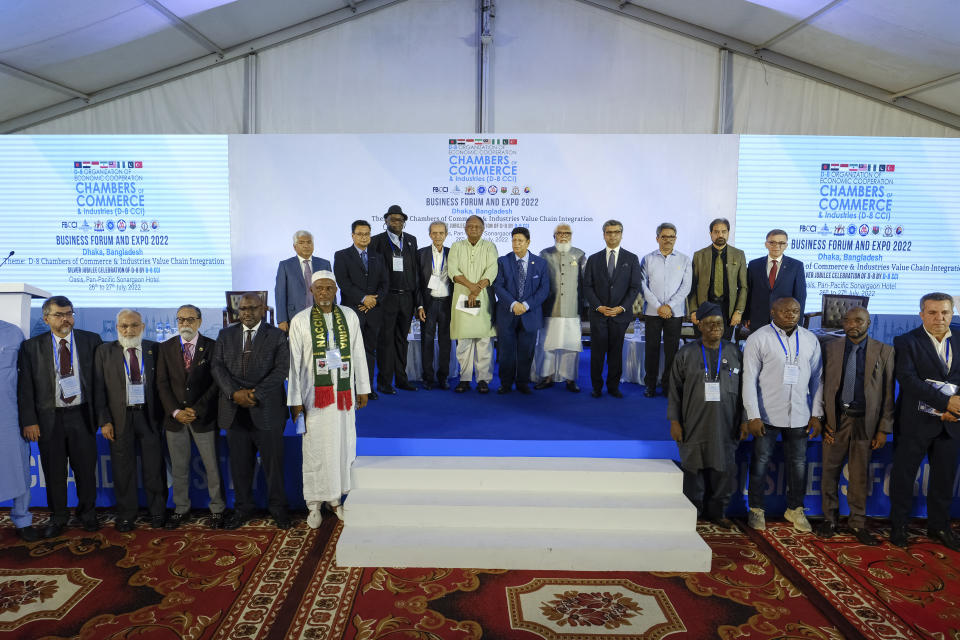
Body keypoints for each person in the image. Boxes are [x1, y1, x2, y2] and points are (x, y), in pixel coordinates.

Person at [288, 272, 370, 528]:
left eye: (329, 288)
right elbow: (293, 362)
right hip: (313, 396)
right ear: (311, 291)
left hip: (343, 396)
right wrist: (295, 399)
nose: (324, 292)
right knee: (314, 449)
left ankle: (335, 499)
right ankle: (313, 503)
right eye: (319, 288)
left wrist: (363, 387)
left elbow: (357, 352)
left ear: (336, 290)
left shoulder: (349, 315)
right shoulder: (300, 321)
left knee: (340, 445)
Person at [18, 295, 102, 538]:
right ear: (46, 319)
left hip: (81, 415)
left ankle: (87, 513)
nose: (66, 318)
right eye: (59, 314)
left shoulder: (91, 341)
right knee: (54, 471)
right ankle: (58, 516)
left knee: (86, 469)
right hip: (49, 419)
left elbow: (99, 382)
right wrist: (29, 420)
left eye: (69, 313)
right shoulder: (31, 347)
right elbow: (25, 388)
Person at [742, 296, 823, 532]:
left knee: (798, 464)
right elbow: (749, 379)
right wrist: (752, 415)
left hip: (799, 414)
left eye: (796, 311)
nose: (791, 315)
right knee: (760, 463)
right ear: (773, 312)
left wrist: (816, 413)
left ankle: (795, 509)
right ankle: (756, 509)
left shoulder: (810, 339)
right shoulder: (759, 338)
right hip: (766, 414)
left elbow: (818, 378)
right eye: (785, 311)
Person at [211, 293, 291, 530]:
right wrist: (234, 393)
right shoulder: (225, 335)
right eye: (242, 309)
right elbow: (217, 367)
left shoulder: (277, 335)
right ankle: (243, 509)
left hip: (266, 408)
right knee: (240, 466)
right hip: (234, 410)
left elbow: (281, 370)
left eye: (252, 308)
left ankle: (279, 510)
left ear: (263, 309)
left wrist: (255, 394)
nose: (246, 313)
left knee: (273, 465)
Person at [816, 307, 894, 545]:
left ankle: (857, 523)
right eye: (848, 320)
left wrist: (883, 428)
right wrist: (822, 419)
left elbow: (888, 393)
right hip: (837, 420)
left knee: (859, 475)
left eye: (859, 320)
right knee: (829, 471)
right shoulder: (830, 348)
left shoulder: (885, 351)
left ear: (869, 322)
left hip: (865, 422)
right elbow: (821, 384)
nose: (853, 324)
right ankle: (829, 519)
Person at [889, 292, 960, 550]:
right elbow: (908, 380)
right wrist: (945, 402)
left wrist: (956, 407)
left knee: (944, 478)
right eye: (932, 312)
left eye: (944, 312)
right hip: (915, 423)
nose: (939, 318)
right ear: (921, 315)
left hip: (952, 423)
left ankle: (939, 526)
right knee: (904, 477)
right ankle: (899, 526)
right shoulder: (906, 341)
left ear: (952, 313)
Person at [667, 302, 744, 528]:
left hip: (726, 423)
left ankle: (718, 512)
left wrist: (745, 420)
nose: (716, 328)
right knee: (693, 468)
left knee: (723, 468)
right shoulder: (686, 353)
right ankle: (694, 512)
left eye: (719, 324)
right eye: (710, 324)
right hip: (693, 422)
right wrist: (674, 421)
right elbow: (674, 390)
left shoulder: (733, 352)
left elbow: (745, 390)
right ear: (699, 326)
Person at [94, 309, 167, 531]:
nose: (129, 330)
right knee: (122, 469)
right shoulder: (104, 351)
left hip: (149, 417)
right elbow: (98, 389)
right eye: (124, 326)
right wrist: (104, 420)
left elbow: (163, 385)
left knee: (154, 467)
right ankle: (126, 515)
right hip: (118, 420)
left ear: (142, 327)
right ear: (117, 328)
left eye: (134, 325)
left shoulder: (155, 349)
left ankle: (158, 512)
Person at [155, 304, 225, 529]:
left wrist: (198, 409)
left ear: (199, 322)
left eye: (190, 319)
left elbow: (216, 383)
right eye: (181, 320)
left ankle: (217, 510)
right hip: (175, 421)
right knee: (179, 468)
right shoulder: (164, 348)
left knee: (212, 467)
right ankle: (181, 508)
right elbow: (162, 384)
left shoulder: (212, 347)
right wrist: (175, 412)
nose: (185, 324)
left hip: (203, 417)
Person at [583, 220, 641, 398]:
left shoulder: (631, 259)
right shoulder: (593, 259)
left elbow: (634, 287)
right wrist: (599, 307)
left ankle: (613, 386)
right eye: (609, 232)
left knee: (616, 352)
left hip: (620, 315)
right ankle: (596, 387)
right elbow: (587, 287)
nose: (612, 235)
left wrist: (621, 308)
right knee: (597, 353)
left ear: (621, 234)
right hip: (598, 314)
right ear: (604, 235)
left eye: (616, 232)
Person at [369, 205, 422, 394]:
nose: (397, 223)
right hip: (387, 298)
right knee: (386, 341)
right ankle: (384, 382)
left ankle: (401, 379)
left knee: (402, 340)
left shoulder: (411, 241)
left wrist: (417, 301)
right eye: (393, 219)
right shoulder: (376, 241)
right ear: (386, 221)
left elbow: (415, 272)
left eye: (400, 220)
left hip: (406, 298)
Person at [334, 220, 388, 399]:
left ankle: (367, 388)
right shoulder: (342, 255)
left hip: (373, 311)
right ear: (353, 236)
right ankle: (350, 387)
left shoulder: (378, 256)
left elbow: (385, 283)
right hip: (352, 310)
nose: (364, 237)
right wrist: (363, 298)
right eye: (360, 234)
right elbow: (343, 282)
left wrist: (373, 300)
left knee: (369, 350)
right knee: (350, 350)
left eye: (367, 234)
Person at [493, 227, 550, 395]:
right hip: (507, 314)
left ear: (528, 242)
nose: (516, 243)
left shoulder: (540, 263)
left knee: (526, 351)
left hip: (530, 314)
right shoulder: (503, 261)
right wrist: (513, 304)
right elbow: (498, 286)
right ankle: (505, 383)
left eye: (520, 240)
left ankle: (522, 382)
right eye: (513, 240)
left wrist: (524, 305)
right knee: (506, 352)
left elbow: (544, 289)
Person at [639, 222, 692, 397]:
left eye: (671, 237)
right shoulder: (647, 259)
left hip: (674, 313)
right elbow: (642, 285)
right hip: (653, 313)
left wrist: (668, 306)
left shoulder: (684, 259)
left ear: (675, 239)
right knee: (651, 349)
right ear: (657, 238)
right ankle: (650, 385)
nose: (668, 240)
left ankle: (669, 385)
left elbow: (686, 287)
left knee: (672, 351)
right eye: (664, 236)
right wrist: (658, 306)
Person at [449, 215, 499, 394]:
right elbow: (453, 270)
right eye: (470, 226)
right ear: (464, 228)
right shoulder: (456, 246)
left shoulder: (489, 246)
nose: (474, 229)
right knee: (464, 342)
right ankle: (464, 379)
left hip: (483, 297)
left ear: (483, 229)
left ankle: (483, 379)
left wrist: (477, 289)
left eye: (477, 227)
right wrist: (471, 288)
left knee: (484, 341)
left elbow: (492, 269)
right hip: (463, 297)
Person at [535, 224, 586, 392]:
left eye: (567, 233)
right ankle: (547, 377)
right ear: (554, 235)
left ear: (571, 235)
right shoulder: (544, 254)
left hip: (572, 308)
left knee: (571, 346)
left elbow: (585, 283)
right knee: (547, 345)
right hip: (550, 307)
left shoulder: (579, 255)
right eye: (560, 233)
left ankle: (570, 379)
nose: (563, 236)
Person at [1, 320, 39, 541]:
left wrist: (28, 417)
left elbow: (25, 378)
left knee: (19, 465)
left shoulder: (13, 332)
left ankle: (22, 519)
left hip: (9, 414)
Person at [688, 218, 748, 341]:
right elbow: (692, 286)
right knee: (702, 346)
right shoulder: (699, 255)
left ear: (728, 233)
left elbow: (743, 287)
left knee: (724, 347)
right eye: (716, 232)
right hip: (705, 307)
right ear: (710, 234)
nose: (720, 235)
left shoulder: (739, 254)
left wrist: (739, 311)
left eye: (723, 231)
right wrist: (693, 311)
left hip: (728, 309)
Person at [744, 229, 806, 330]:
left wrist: (797, 321)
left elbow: (800, 296)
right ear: (766, 244)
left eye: (781, 243)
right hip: (758, 318)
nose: (776, 246)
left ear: (786, 245)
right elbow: (748, 292)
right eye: (772, 242)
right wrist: (746, 316)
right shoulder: (754, 264)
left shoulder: (796, 266)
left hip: (785, 319)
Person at [416, 221, 453, 390]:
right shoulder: (421, 254)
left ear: (446, 235)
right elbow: (416, 283)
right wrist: (419, 306)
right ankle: (428, 378)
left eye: (441, 233)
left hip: (447, 303)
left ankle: (443, 377)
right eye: (434, 233)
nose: (438, 236)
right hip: (428, 303)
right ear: (429, 234)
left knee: (446, 342)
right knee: (427, 342)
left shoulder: (453, 254)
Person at [275, 230, 332, 332]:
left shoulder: (324, 264)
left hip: (321, 314)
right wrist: (281, 320)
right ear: (294, 246)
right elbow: (280, 294)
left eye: (309, 242)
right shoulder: (285, 265)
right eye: (301, 243)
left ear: (313, 245)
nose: (306, 246)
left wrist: (332, 313)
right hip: (294, 315)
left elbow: (331, 291)